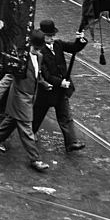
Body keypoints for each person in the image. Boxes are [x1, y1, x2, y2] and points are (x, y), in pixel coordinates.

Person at [0, 29, 51, 172]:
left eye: (39, 48)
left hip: (30, 96)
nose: (36, 51)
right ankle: (35, 159)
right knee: (26, 128)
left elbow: (37, 74)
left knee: (12, 120)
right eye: (35, 48)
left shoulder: (39, 57)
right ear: (30, 44)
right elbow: (8, 77)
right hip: (20, 97)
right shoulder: (20, 59)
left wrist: (44, 84)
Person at [32, 20, 87, 153]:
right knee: (38, 114)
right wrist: (60, 82)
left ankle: (71, 142)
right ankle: (31, 132)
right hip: (47, 90)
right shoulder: (40, 52)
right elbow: (45, 74)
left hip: (61, 90)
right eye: (48, 36)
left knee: (65, 116)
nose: (52, 38)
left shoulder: (58, 44)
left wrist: (80, 40)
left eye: (53, 35)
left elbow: (74, 48)